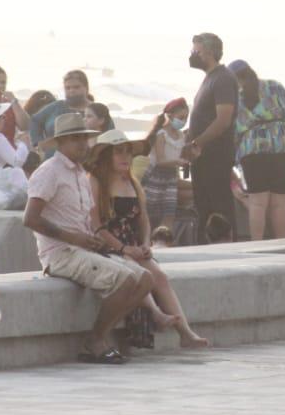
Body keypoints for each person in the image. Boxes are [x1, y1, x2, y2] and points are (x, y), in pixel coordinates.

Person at [22, 112, 152, 364]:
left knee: (145, 279)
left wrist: (93, 239)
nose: (83, 144)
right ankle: (95, 340)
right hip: (60, 253)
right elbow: (30, 219)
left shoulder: (81, 173)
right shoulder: (49, 171)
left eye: (85, 138)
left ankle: (98, 337)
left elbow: (84, 220)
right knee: (125, 280)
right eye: (75, 139)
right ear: (61, 143)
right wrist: (74, 238)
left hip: (83, 250)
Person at [86, 131, 209, 349]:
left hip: (132, 243)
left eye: (128, 153)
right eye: (118, 153)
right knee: (137, 272)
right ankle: (156, 313)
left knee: (159, 275)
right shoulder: (96, 182)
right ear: (106, 156)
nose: (125, 157)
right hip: (109, 245)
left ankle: (186, 333)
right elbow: (96, 226)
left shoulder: (132, 183)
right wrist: (122, 248)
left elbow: (143, 219)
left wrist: (145, 243)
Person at [229, 60, 285, 241]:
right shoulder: (274, 86)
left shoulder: (235, 97)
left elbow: (233, 132)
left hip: (252, 150)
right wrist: (280, 137)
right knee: (279, 203)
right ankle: (281, 244)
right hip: (282, 146)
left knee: (258, 203)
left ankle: (256, 245)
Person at [184, 33, 238, 243]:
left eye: (195, 51)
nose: (192, 55)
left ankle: (226, 247)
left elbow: (223, 120)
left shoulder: (222, 78)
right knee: (204, 206)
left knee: (219, 206)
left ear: (210, 52)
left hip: (215, 155)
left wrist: (198, 142)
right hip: (203, 156)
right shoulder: (209, 78)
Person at [142, 98, 190, 230]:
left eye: (186, 118)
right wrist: (177, 162)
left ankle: (164, 239)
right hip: (155, 176)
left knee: (169, 212)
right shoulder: (161, 134)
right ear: (170, 115)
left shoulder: (181, 136)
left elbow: (181, 156)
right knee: (150, 212)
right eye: (181, 117)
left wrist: (190, 157)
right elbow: (160, 161)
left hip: (171, 178)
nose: (184, 121)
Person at [30, 70, 91, 151]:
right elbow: (35, 120)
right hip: (51, 158)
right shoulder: (56, 106)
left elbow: (107, 137)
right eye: (67, 88)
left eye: (76, 87)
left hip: (83, 160)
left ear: (86, 88)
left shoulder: (96, 109)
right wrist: (37, 143)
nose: (71, 91)